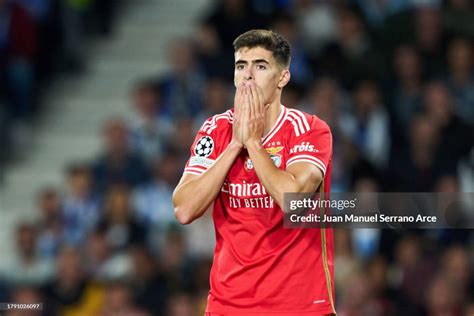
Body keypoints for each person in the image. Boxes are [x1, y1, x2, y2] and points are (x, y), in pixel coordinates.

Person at [173, 29, 335, 315]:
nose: (248, 75)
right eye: (241, 66)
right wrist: (236, 143)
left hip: (298, 306)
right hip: (229, 306)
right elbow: (185, 209)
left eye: (260, 66)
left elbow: (293, 198)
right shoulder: (215, 130)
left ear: (283, 77)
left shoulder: (308, 129)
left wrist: (252, 142)